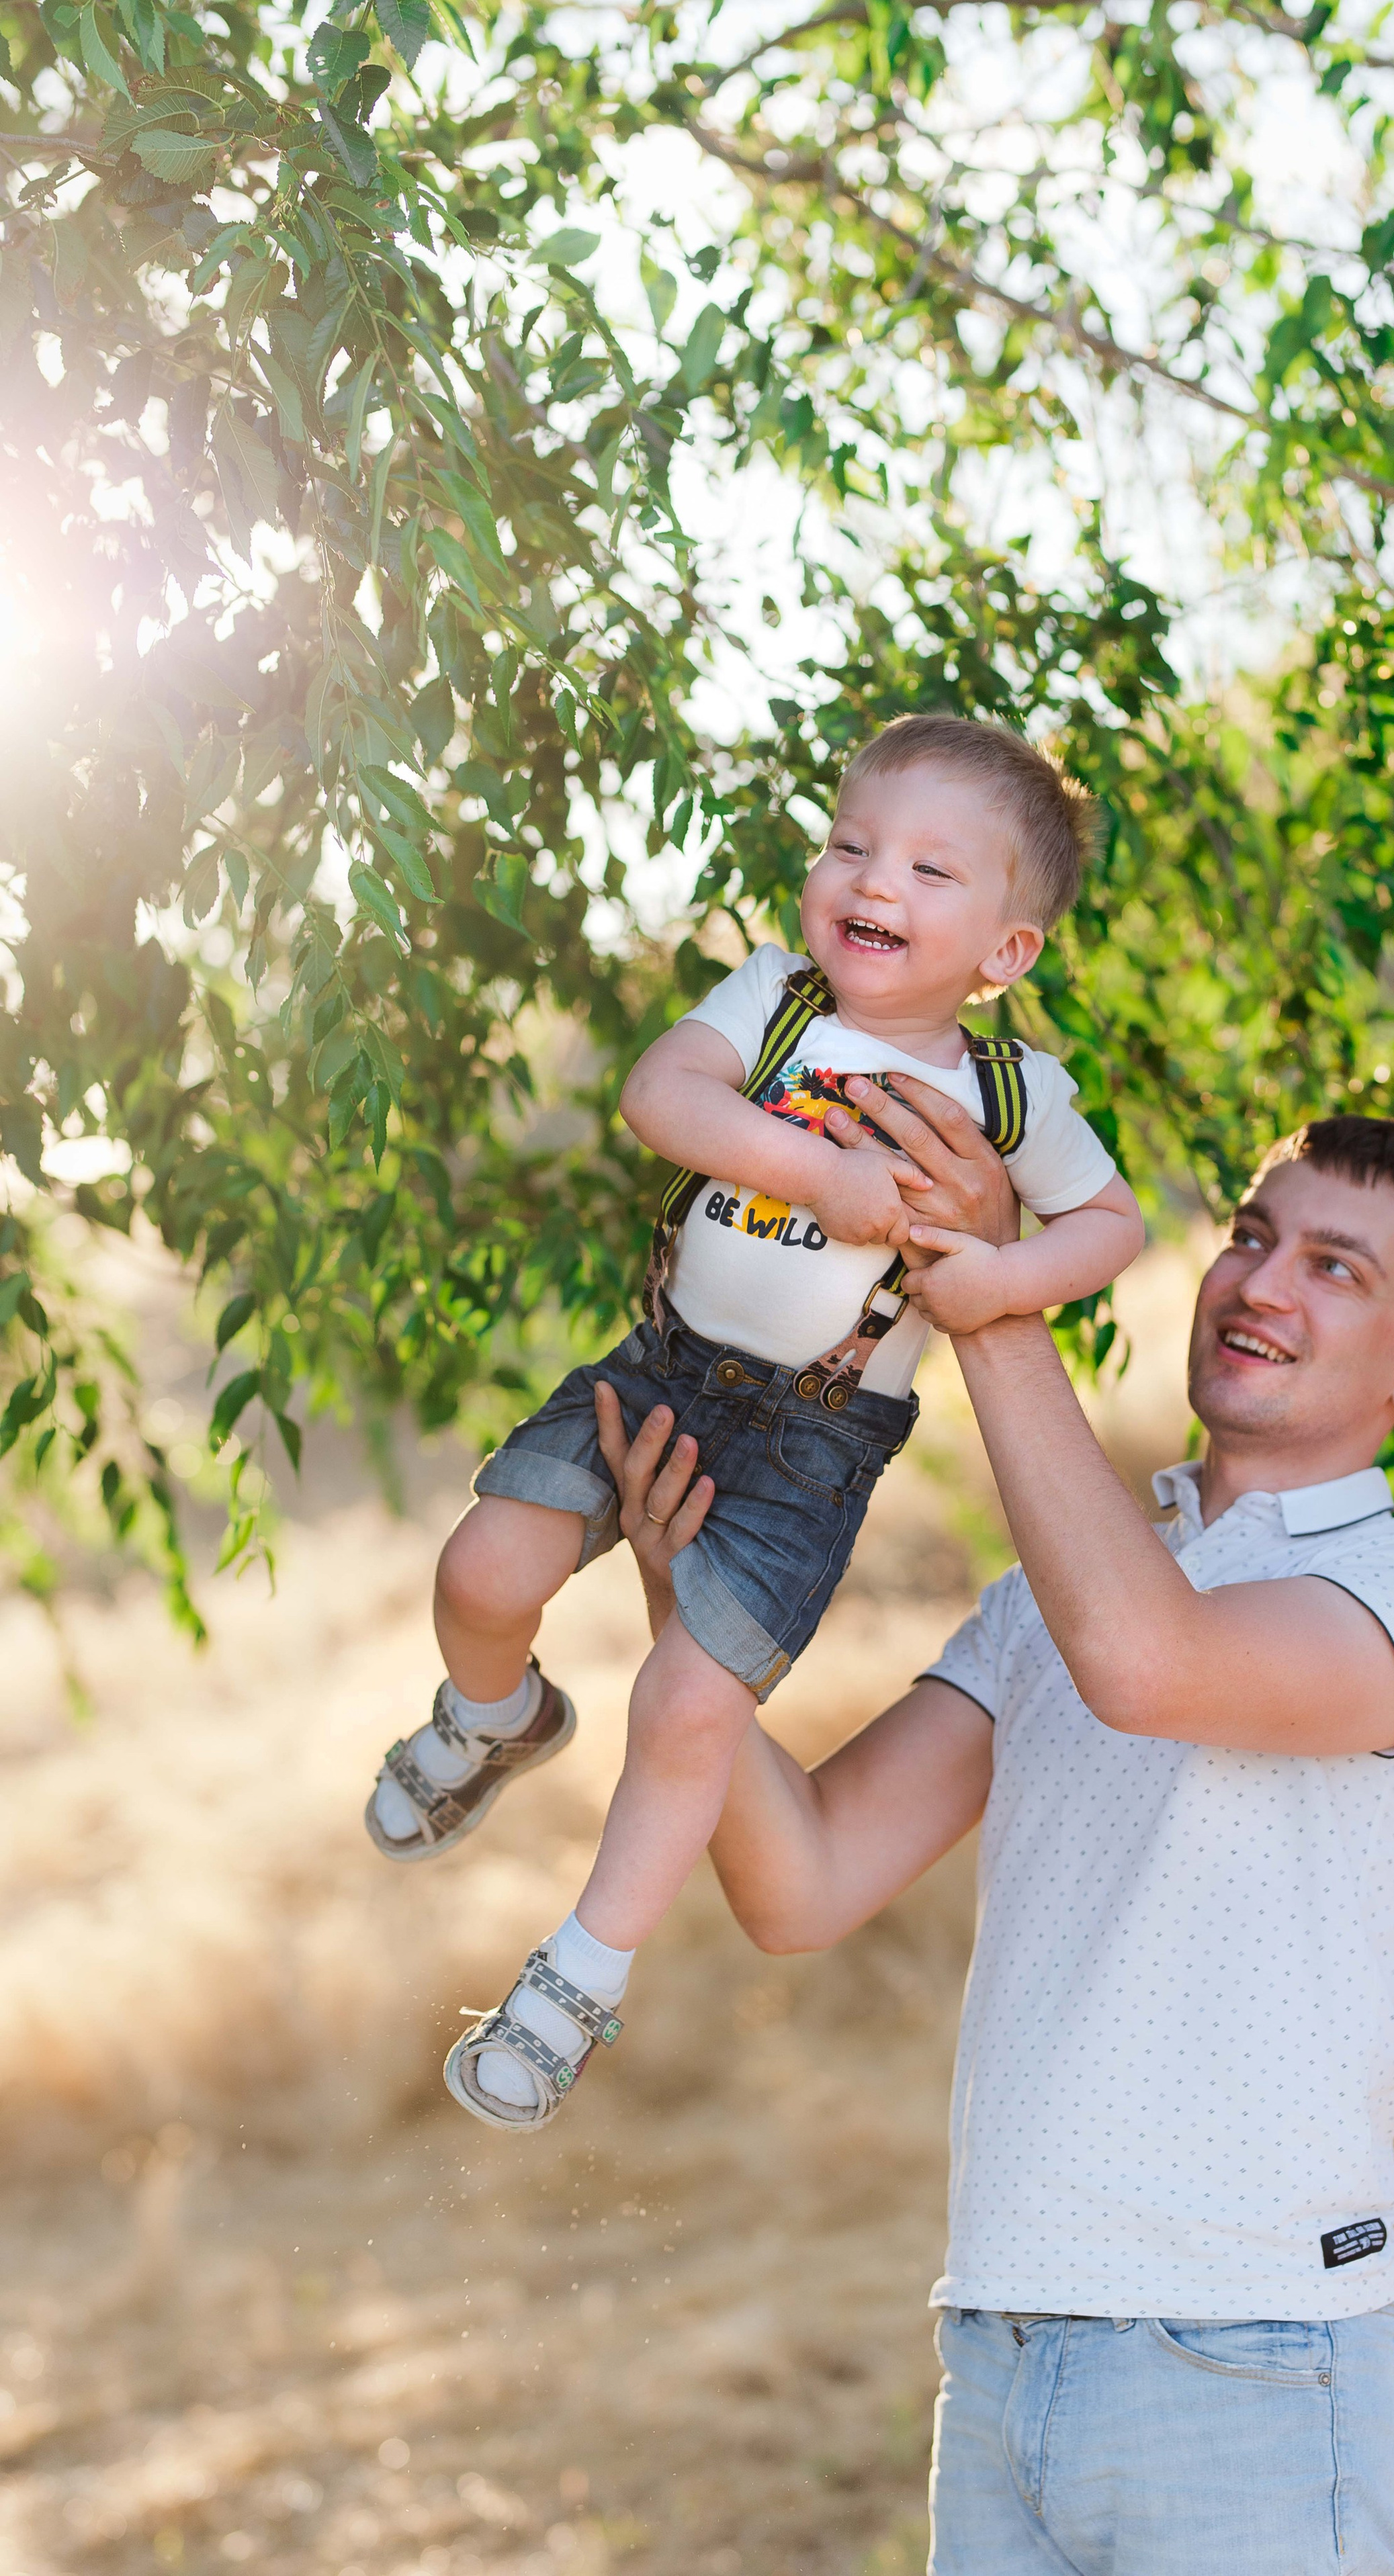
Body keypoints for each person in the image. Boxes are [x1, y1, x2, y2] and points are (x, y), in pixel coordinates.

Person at [597, 1101, 1394, 2574]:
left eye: (1336, 1268)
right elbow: (804, 1879)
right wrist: (688, 1601)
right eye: (1250, 1235)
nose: (1259, 1285)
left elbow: (1151, 1669)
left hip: (1254, 2364)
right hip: (1002, 2353)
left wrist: (988, 1285)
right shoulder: (1052, 1602)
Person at [363, 715, 1143, 2131]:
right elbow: (659, 1095)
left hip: (810, 1439)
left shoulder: (1008, 1093)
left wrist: (1005, 1274)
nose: (873, 879)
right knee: (483, 1568)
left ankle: (576, 1979)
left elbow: (1111, 1219)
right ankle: (497, 1712)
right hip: (661, 1364)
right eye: (849, 843)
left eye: (926, 867)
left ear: (1003, 953)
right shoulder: (775, 999)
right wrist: (806, 1169)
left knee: (687, 1710)